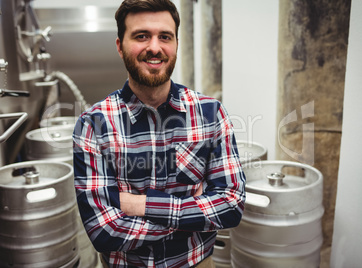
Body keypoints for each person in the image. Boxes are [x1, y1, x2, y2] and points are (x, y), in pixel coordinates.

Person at [73, 0, 246, 267]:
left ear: (176, 43)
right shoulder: (93, 125)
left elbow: (231, 207)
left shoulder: (211, 113)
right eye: (141, 36)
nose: (155, 47)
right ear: (120, 46)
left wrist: (140, 205)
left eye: (164, 37)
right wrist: (194, 212)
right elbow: (103, 231)